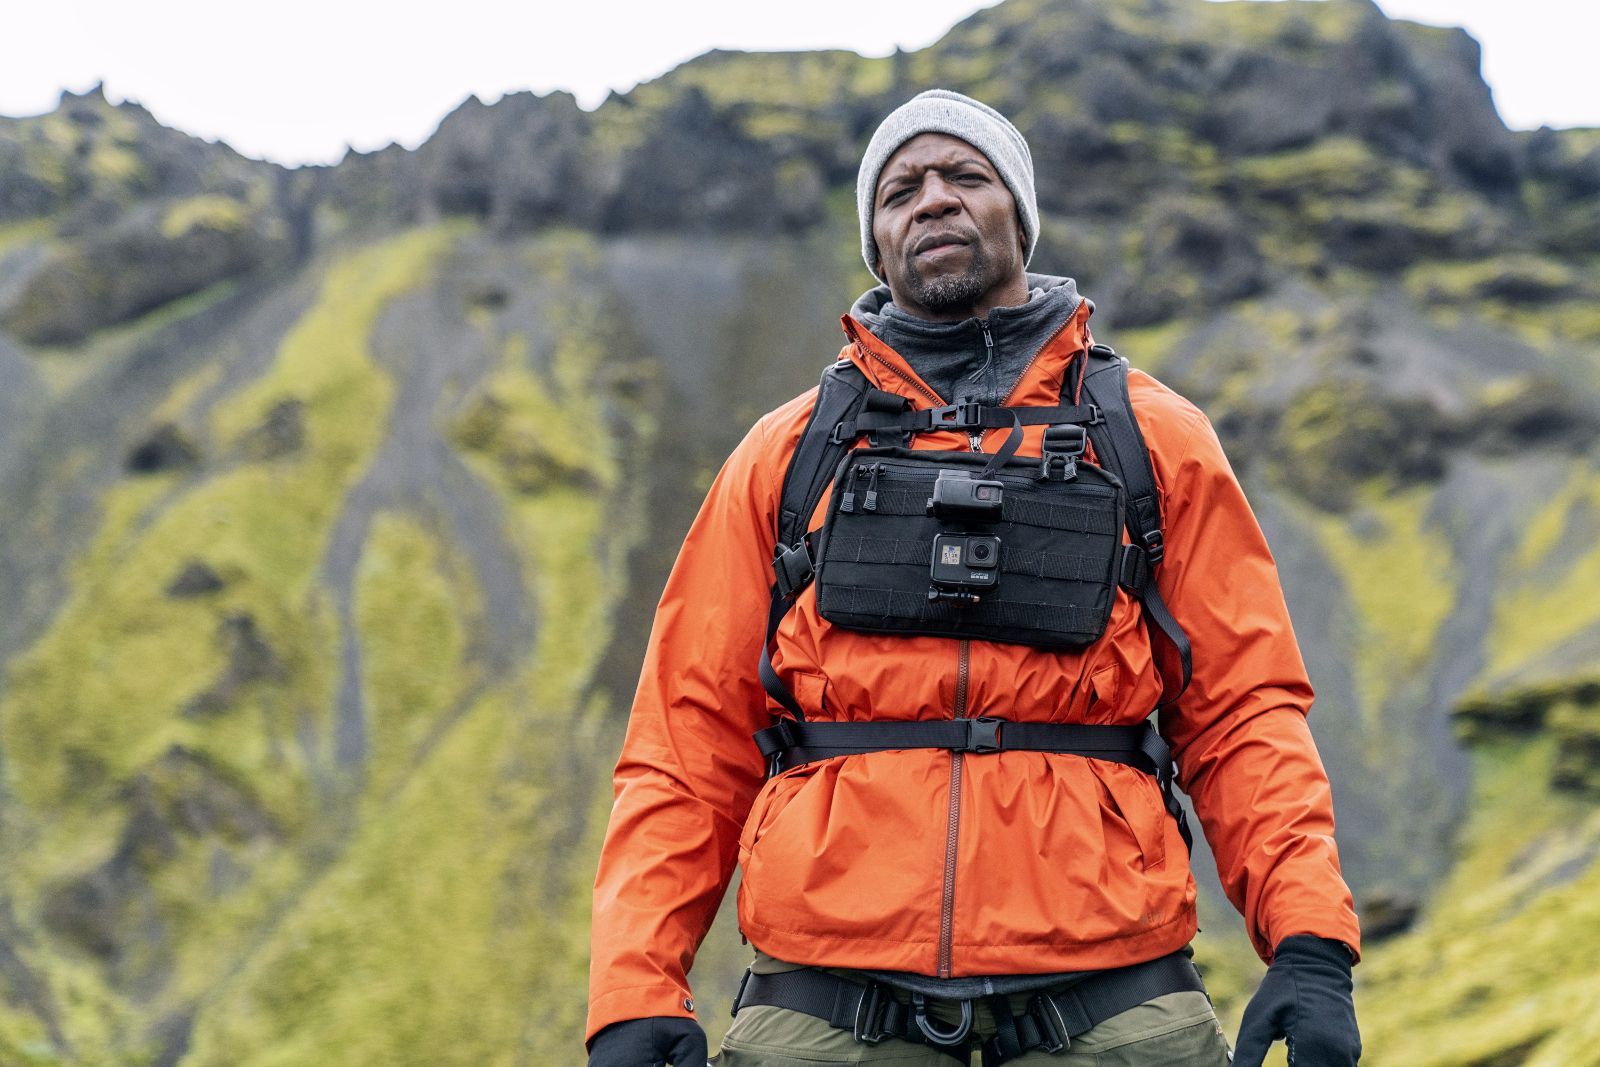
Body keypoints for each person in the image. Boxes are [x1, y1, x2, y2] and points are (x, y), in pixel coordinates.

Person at [587, 89, 1362, 1066]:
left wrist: (1309, 944)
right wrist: (632, 985)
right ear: (875, 237)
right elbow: (687, 736)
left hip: (1114, 1007)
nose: (933, 200)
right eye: (901, 187)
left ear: (1018, 214)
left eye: (965, 175)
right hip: (827, 1014)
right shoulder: (785, 454)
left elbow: (1242, 709)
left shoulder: (1150, 437)